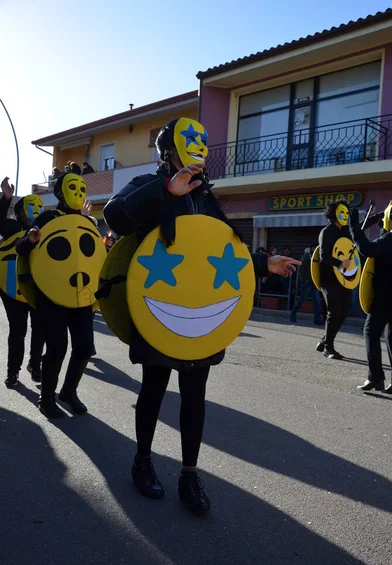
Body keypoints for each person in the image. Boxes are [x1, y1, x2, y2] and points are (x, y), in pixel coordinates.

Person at [104, 117, 300, 513]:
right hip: (157, 310)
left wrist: (264, 263)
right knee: (154, 389)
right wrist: (165, 190)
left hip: (201, 314)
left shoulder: (206, 196)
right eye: (184, 146)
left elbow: (223, 252)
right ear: (167, 151)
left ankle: (189, 474)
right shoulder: (149, 184)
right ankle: (142, 462)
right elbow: (115, 217)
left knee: (195, 396)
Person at [16, 173, 98, 419]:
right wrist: (30, 240)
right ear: (60, 192)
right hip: (51, 296)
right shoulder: (48, 217)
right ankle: (47, 397)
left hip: (81, 296)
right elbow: (22, 247)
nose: (79, 192)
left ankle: (68, 393)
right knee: (57, 349)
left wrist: (86, 222)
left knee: (84, 349)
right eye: (73, 187)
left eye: (83, 188)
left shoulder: (88, 222)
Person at [316, 200, 380, 360]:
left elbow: (361, 225)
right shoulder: (327, 231)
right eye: (341, 212)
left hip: (345, 278)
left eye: (346, 213)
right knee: (334, 311)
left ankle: (325, 340)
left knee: (344, 311)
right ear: (333, 214)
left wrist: (381, 215)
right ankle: (328, 348)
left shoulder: (345, 230)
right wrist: (340, 262)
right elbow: (324, 256)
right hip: (329, 278)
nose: (344, 216)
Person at [0, 177, 45, 387]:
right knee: (18, 331)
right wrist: (6, 198)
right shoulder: (10, 228)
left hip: (39, 288)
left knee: (40, 329)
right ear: (20, 211)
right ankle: (13, 371)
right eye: (31, 206)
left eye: (39, 207)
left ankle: (35, 365)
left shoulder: (47, 229)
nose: (36, 211)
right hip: (12, 289)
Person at [350, 202, 392, 392]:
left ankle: (375, 378)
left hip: (386, 296)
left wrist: (354, 227)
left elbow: (367, 249)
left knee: (371, 331)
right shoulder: (390, 238)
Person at [290, 247, 322, 325]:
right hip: (307, 282)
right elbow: (301, 269)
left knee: (316, 301)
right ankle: (293, 314)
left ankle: (317, 319)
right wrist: (304, 279)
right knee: (303, 300)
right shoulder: (307, 257)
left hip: (313, 282)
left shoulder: (316, 256)